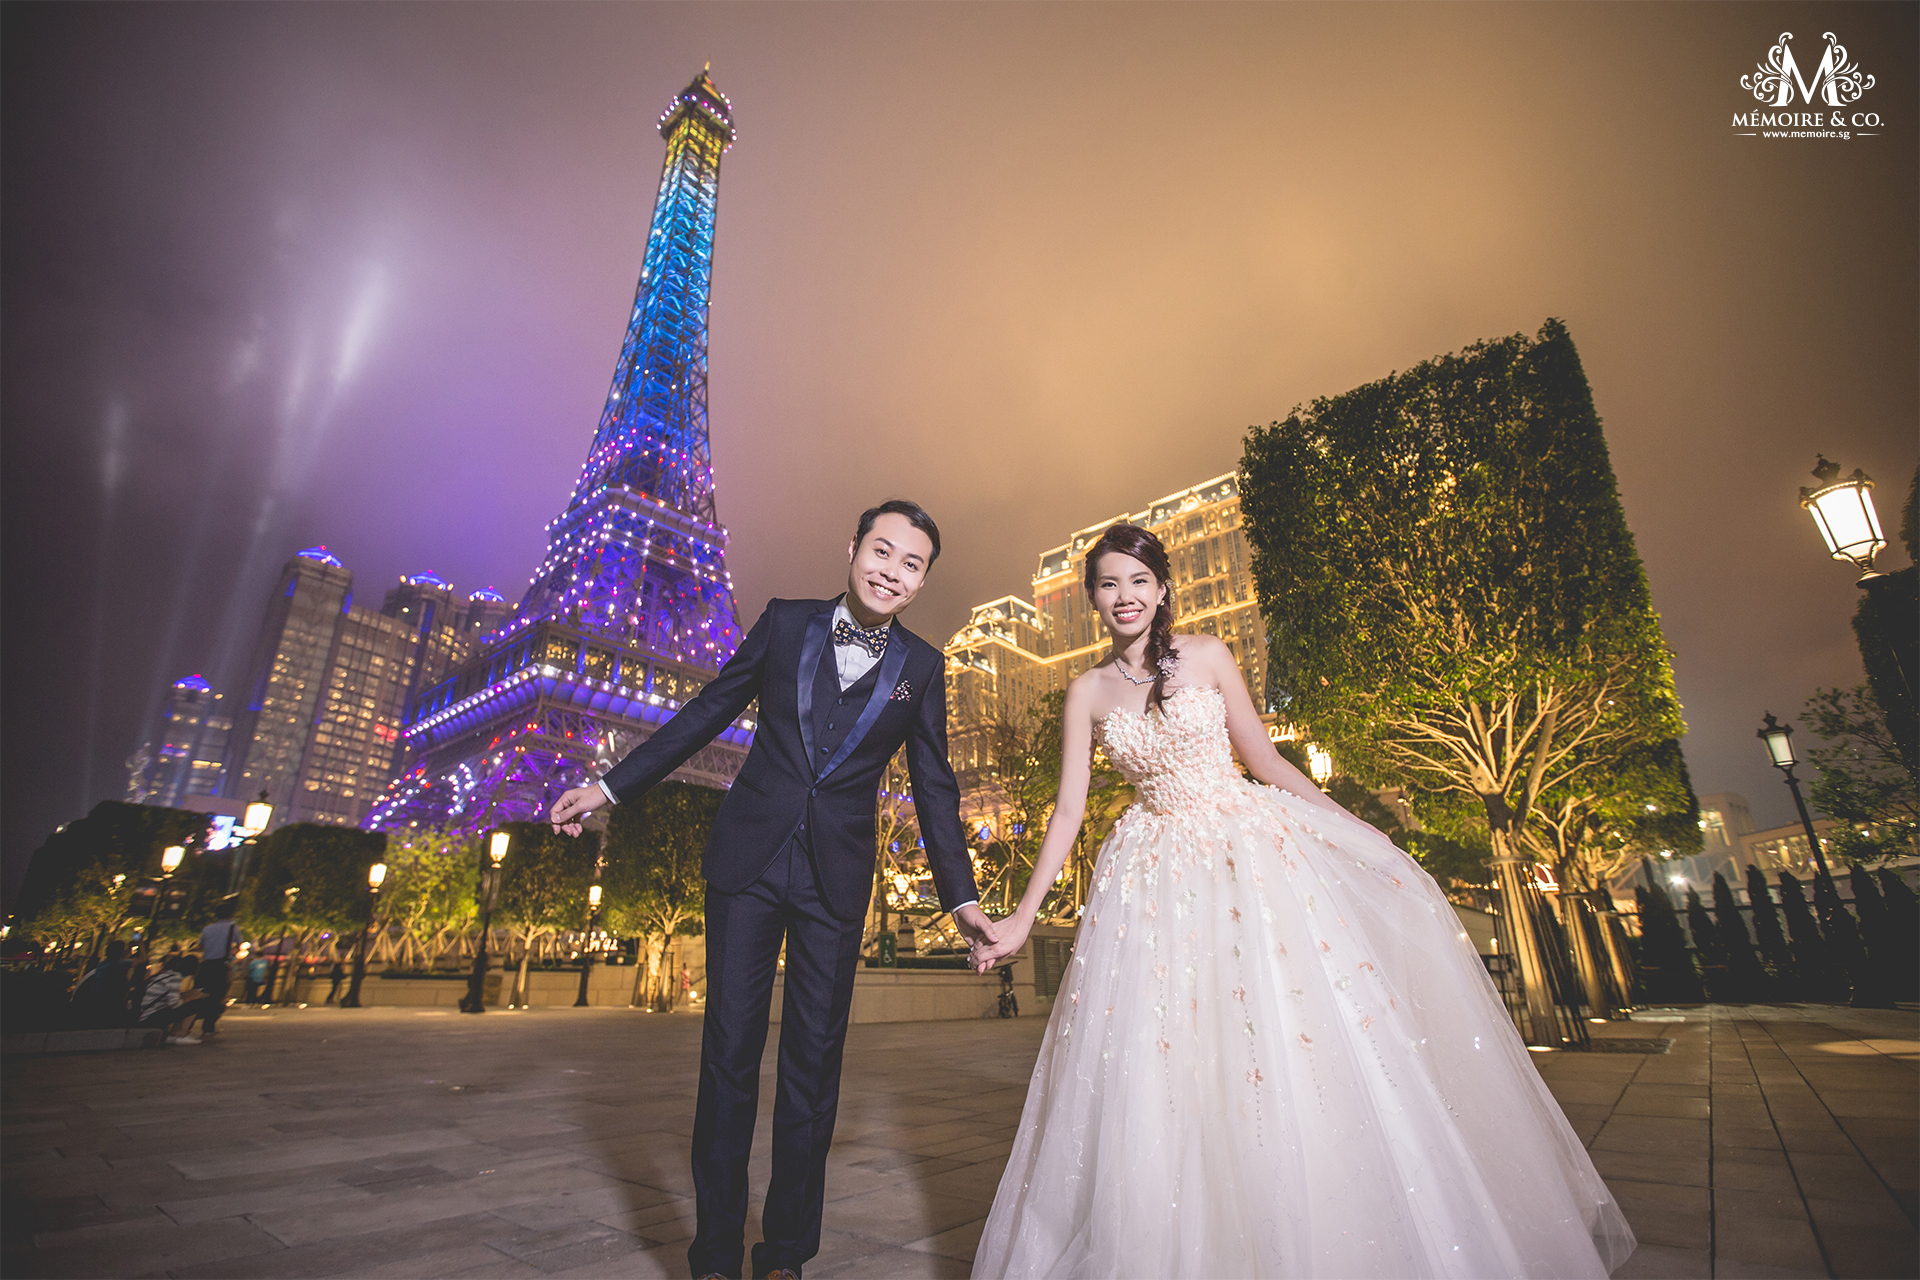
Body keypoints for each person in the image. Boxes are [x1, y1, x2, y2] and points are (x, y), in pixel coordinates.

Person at [967, 523, 1636, 1280]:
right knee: (1165, 1053)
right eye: (1109, 583)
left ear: (1162, 588)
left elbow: (1266, 760)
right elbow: (1067, 811)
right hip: (1150, 883)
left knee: (1280, 1026)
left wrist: (1364, 833)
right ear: (1092, 597)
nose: (1125, 596)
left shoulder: (1209, 655)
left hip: (1242, 857)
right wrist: (1022, 915)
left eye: (1138, 580)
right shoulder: (1086, 692)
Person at [551, 500, 995, 1280]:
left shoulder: (922, 668)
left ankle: (785, 1254)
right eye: (882, 551)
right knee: (728, 1058)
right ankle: (715, 1256)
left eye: (911, 564)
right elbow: (709, 710)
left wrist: (960, 899)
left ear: (923, 581)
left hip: (835, 882)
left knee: (813, 1070)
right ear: (852, 547)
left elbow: (934, 788)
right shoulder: (787, 621)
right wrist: (612, 787)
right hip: (746, 867)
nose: (891, 571)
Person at [138, 955, 220, 1045]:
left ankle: (174, 1034)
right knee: (197, 1004)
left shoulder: (166, 975)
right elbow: (174, 1004)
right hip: (151, 1016)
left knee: (189, 1004)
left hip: (145, 1013)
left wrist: (188, 994)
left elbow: (170, 997)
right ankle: (182, 1035)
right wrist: (191, 998)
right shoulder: (174, 979)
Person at [195, 898, 243, 1035]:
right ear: (230, 915)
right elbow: (239, 946)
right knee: (218, 996)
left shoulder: (207, 928)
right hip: (222, 965)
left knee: (202, 993)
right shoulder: (233, 928)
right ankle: (209, 1025)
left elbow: (201, 945)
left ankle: (187, 1025)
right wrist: (232, 955)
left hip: (206, 964)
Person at [69, 940, 132, 1028]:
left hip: (89, 1010)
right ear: (122, 953)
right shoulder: (116, 967)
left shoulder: (101, 968)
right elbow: (142, 959)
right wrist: (139, 942)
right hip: (100, 1011)